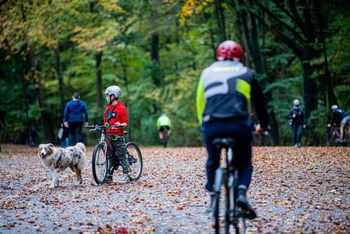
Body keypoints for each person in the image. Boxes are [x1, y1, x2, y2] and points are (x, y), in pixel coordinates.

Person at [196, 40, 269, 218]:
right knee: (243, 163)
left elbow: (200, 102)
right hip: (238, 125)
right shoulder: (245, 72)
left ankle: (213, 197)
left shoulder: (207, 72)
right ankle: (241, 194)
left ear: (217, 55)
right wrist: (263, 125)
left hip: (212, 124)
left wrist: (203, 124)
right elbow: (259, 103)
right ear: (240, 56)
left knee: (213, 160)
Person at [104, 85, 130, 183]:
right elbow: (105, 121)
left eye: (108, 96)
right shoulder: (107, 109)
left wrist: (120, 124)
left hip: (117, 135)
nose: (106, 98)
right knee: (109, 155)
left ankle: (125, 174)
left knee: (121, 154)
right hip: (109, 135)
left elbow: (125, 122)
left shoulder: (121, 108)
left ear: (113, 96)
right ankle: (110, 174)